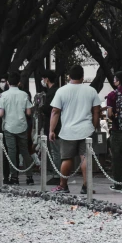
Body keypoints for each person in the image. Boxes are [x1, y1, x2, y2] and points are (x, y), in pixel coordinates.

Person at [49, 64, 101, 195]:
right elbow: (96, 111)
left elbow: (55, 111)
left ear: (68, 76)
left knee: (66, 159)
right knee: (85, 158)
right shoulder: (91, 91)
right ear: (82, 77)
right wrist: (94, 127)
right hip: (86, 130)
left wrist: (51, 130)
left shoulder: (61, 91)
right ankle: (86, 186)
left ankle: (63, 186)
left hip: (68, 131)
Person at [0, 71, 34, 186]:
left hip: (9, 126)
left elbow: (1, 114)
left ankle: (14, 177)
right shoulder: (24, 95)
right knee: (25, 151)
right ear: (19, 82)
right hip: (22, 126)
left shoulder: (4, 95)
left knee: (11, 151)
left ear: (8, 82)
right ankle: (29, 177)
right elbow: (28, 112)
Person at [41, 70, 61, 184]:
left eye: (43, 78)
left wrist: (41, 107)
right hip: (58, 125)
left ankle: (57, 175)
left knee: (55, 152)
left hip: (53, 126)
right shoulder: (58, 90)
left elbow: (50, 109)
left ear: (47, 79)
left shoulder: (51, 92)